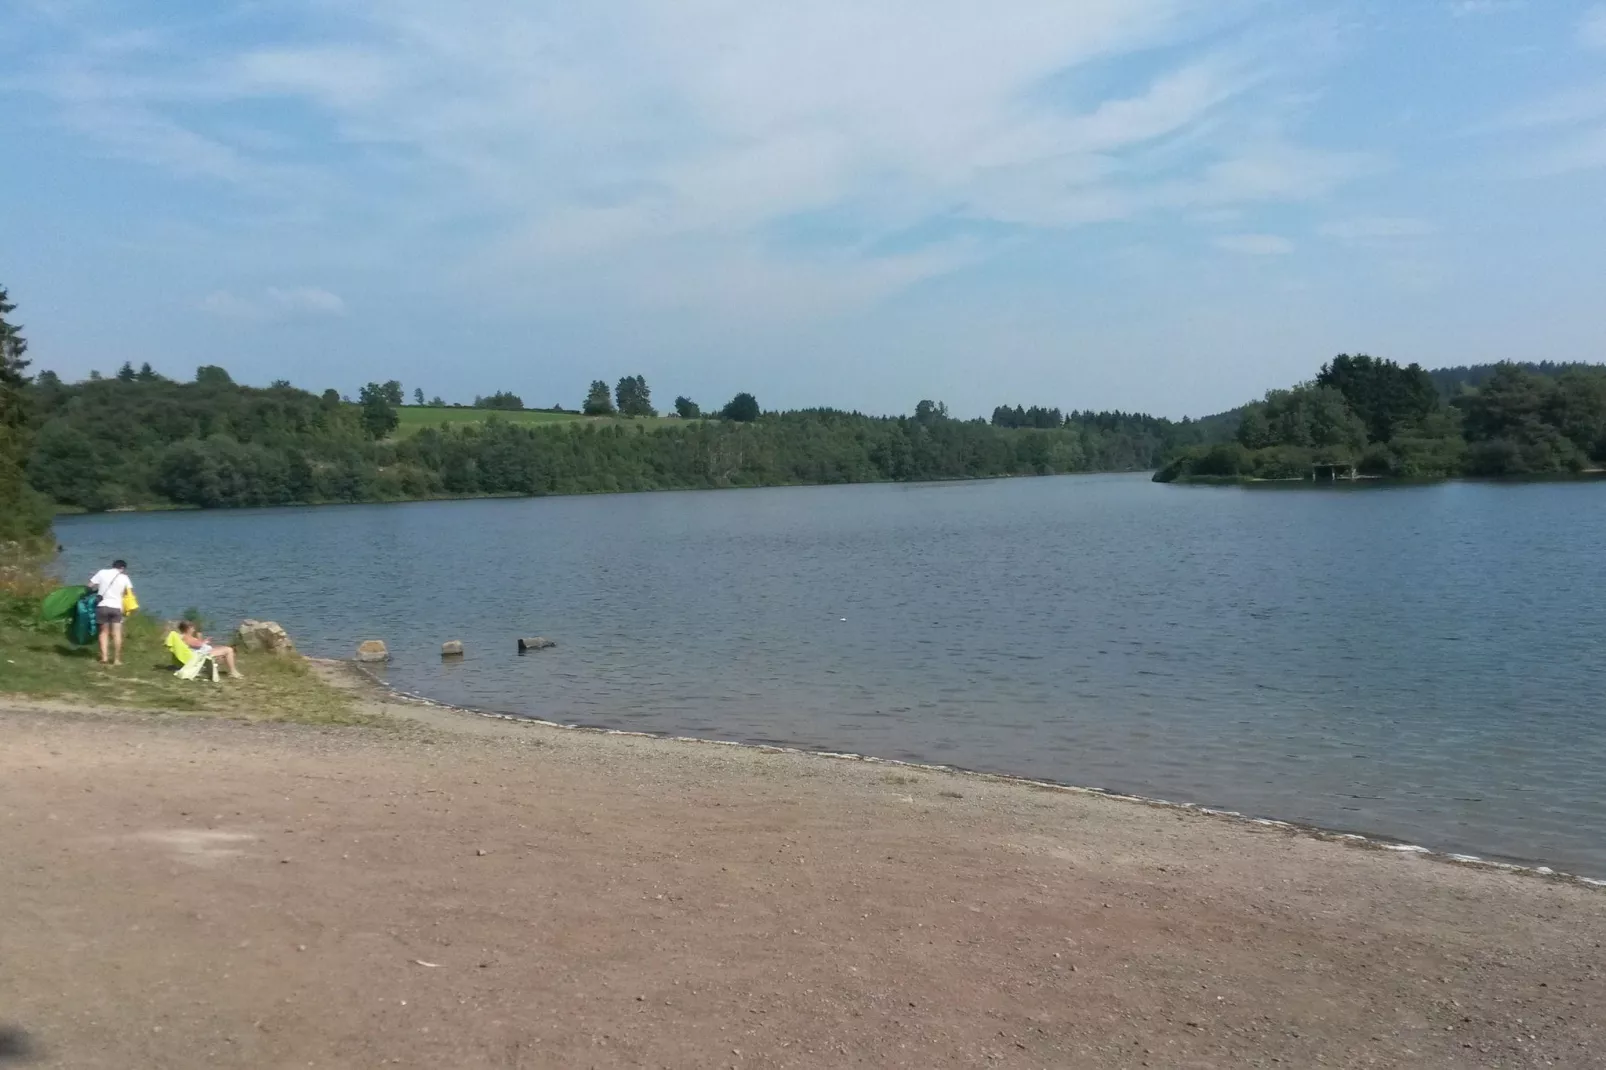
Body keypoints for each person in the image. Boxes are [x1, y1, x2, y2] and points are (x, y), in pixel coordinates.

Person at [86, 559, 133, 666]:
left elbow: (89, 586)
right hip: (116, 608)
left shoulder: (102, 572)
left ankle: (104, 658)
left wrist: (95, 593)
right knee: (117, 633)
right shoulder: (124, 578)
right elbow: (128, 593)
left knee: (104, 632)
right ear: (122, 568)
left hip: (102, 606)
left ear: (113, 566)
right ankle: (116, 660)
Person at [175, 620, 243, 679]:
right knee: (229, 650)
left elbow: (196, 644)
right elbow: (196, 644)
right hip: (202, 654)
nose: (194, 630)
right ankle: (233, 672)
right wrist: (204, 642)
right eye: (192, 628)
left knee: (225, 651)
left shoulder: (186, 636)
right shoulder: (186, 637)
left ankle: (230, 670)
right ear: (188, 629)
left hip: (203, 651)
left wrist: (201, 639)